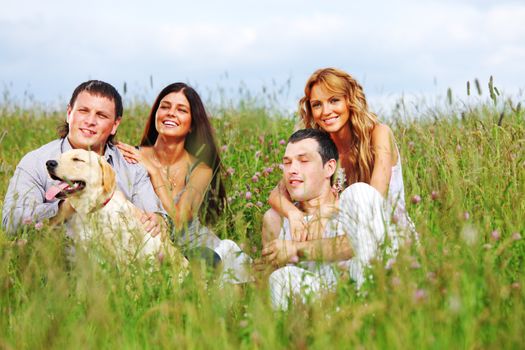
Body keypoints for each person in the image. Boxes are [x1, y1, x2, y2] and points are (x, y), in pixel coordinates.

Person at [116, 82, 251, 283]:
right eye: (165, 106)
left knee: (225, 267)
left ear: (192, 124)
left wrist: (153, 171)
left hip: (197, 248)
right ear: (155, 113)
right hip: (148, 246)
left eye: (181, 110)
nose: (170, 113)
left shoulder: (200, 169)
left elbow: (180, 220)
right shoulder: (130, 156)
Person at [265, 67, 416, 244]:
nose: (326, 111)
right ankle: (272, 267)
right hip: (341, 231)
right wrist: (294, 214)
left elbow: (372, 198)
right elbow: (276, 194)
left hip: (385, 231)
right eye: (317, 105)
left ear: (350, 101)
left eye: (334, 100)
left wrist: (326, 211)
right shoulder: (321, 145)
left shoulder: (379, 134)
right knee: (273, 215)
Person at [2, 80, 166, 236]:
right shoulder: (36, 161)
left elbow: (155, 222)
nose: (90, 121)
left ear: (115, 125)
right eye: (83, 111)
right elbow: (10, 222)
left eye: (101, 115)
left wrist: (157, 221)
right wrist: (63, 209)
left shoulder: (131, 166)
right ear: (69, 113)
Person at [261, 129, 396, 310]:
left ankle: (369, 317)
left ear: (329, 168)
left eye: (303, 161)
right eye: (287, 163)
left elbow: (361, 245)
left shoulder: (351, 207)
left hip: (360, 296)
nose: (292, 170)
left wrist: (296, 249)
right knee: (280, 278)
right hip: (317, 310)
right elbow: (270, 283)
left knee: (362, 192)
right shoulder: (277, 220)